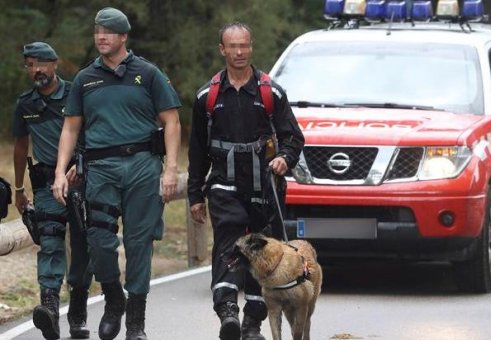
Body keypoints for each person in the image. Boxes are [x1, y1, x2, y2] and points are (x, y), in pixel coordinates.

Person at [52, 7, 181, 340]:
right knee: (99, 241)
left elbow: (171, 121)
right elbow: (69, 129)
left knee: (140, 244)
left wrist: (170, 170)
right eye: (97, 32)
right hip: (100, 169)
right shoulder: (85, 78)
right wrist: (58, 172)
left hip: (141, 165)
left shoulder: (148, 73)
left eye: (108, 32)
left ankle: (136, 323)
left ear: (123, 36)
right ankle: (113, 298)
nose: (101, 37)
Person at [187, 22, 304, 340]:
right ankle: (227, 312)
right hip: (224, 184)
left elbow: (294, 137)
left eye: (244, 46)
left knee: (259, 251)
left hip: (264, 187)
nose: (239, 52)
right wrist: (194, 194)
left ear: (251, 48)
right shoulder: (207, 97)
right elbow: (196, 150)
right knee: (228, 242)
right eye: (233, 46)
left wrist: (285, 159)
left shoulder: (271, 92)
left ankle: (252, 322)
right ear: (222, 50)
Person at [12, 42, 93, 340]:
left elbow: (92, 131)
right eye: (30, 65)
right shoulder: (25, 104)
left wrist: (82, 164)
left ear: (54, 63)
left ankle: (78, 312)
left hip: (81, 181)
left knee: (84, 246)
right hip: (46, 185)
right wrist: (20, 189)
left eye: (40, 64)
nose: (36, 70)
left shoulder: (76, 94)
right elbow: (20, 147)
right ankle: (49, 308)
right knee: (49, 240)